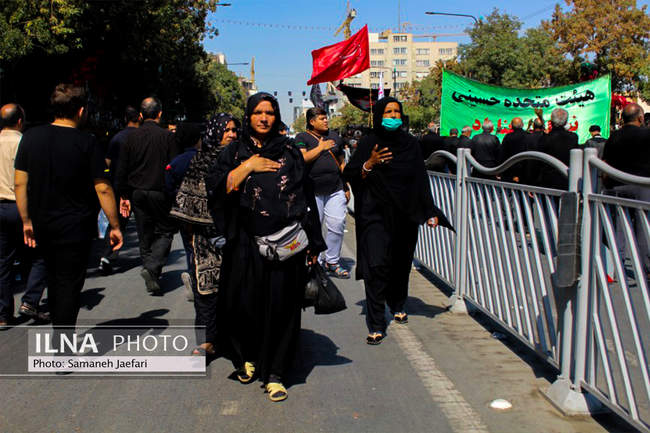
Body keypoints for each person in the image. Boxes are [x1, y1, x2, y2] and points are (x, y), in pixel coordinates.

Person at [206, 93, 325, 402]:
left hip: (284, 244)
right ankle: (247, 356)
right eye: (258, 112)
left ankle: (275, 373)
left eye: (269, 112)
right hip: (244, 243)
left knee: (281, 307)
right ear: (248, 116)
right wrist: (249, 166)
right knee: (243, 304)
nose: (263, 118)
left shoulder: (289, 151)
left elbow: (305, 194)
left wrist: (313, 242)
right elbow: (218, 189)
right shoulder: (234, 152)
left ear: (276, 116)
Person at [14, 84, 123, 335]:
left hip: (42, 223)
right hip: (76, 226)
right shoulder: (87, 142)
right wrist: (115, 225)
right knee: (69, 284)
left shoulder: (30, 137)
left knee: (53, 278)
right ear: (81, 111)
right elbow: (103, 188)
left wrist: (26, 220)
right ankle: (63, 339)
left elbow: (19, 183)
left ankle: (59, 331)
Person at [343, 97, 452, 345]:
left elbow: (419, 179)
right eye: (388, 112)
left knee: (400, 264)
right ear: (379, 115)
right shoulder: (369, 142)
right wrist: (369, 164)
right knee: (376, 265)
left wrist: (429, 211)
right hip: (374, 213)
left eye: (396, 112)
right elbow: (350, 173)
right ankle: (376, 322)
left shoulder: (410, 144)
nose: (393, 116)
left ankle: (398, 302)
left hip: (404, 213)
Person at [167, 115, 238, 358]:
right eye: (226, 130)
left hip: (237, 238)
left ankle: (235, 338)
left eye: (234, 130)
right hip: (205, 240)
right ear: (213, 133)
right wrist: (193, 236)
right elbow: (187, 201)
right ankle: (208, 341)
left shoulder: (242, 159)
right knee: (206, 291)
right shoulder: (200, 161)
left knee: (237, 290)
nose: (231, 134)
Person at [116, 97, 177, 295]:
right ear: (160, 113)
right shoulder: (167, 137)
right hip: (160, 192)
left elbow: (122, 169)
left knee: (145, 234)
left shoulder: (130, 138)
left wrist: (123, 195)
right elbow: (174, 166)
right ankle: (152, 269)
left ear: (141, 115)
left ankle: (151, 271)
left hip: (137, 193)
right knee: (165, 231)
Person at [0, 104, 49, 329]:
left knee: (3, 262)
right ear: (20, 120)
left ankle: (3, 314)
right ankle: (30, 300)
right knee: (38, 254)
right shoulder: (26, 142)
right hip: (22, 207)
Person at [295, 107, 350, 279]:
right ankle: (315, 262)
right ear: (312, 122)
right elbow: (303, 159)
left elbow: (341, 162)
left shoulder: (334, 137)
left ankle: (332, 261)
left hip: (335, 189)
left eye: (326, 118)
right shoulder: (301, 138)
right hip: (312, 192)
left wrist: (346, 186)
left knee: (337, 224)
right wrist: (321, 147)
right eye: (322, 118)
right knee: (314, 228)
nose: (326, 121)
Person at [602, 103, 650, 275]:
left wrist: (606, 183)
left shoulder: (613, 137)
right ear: (640, 118)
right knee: (644, 229)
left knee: (618, 229)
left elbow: (605, 163)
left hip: (617, 186)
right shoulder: (647, 135)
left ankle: (615, 268)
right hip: (642, 186)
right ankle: (647, 268)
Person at [98, 106, 140, 275]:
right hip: (139, 185)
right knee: (144, 223)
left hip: (118, 186)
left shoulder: (117, 138)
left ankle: (108, 255)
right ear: (140, 117)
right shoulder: (141, 136)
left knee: (117, 222)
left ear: (125, 119)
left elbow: (106, 163)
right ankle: (150, 259)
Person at [537, 108, 579, 190]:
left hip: (548, 182)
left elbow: (539, 161)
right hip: (567, 180)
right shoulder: (573, 137)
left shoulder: (546, 138)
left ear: (551, 122)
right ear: (566, 122)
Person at [499, 117, 529, 183]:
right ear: (522, 125)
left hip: (509, 170)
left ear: (512, 126)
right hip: (524, 171)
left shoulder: (508, 137)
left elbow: (503, 154)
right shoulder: (528, 136)